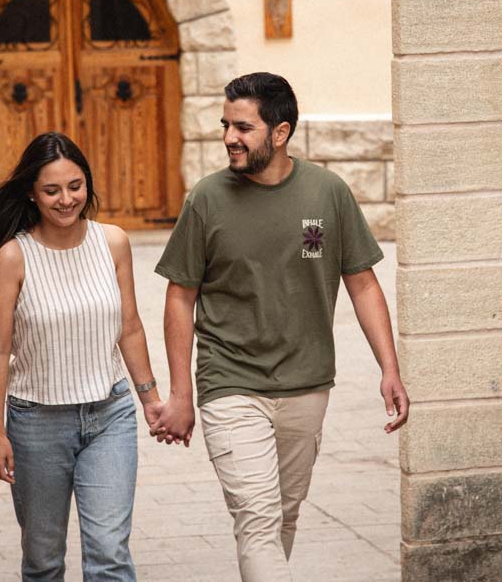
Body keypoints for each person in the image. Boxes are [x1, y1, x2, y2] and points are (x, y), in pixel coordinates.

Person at [150, 72, 410, 581]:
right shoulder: (206, 199)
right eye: (225, 125)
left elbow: (362, 283)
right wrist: (182, 393)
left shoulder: (328, 193)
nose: (229, 137)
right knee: (258, 517)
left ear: (280, 132)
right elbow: (180, 297)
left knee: (281, 517)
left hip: (307, 383)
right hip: (230, 381)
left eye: (243, 127)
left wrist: (389, 368)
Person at [0, 132, 163, 582]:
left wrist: (150, 398)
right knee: (43, 560)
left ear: (87, 184)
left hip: (110, 414)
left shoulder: (112, 242)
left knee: (110, 554)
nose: (66, 199)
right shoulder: (12, 257)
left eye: (75, 186)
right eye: (51, 190)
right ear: (32, 194)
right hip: (37, 424)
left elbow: (128, 325)